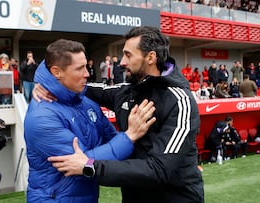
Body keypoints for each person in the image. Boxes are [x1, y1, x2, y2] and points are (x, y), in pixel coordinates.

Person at [42, 26, 203, 202]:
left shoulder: (180, 101)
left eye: (128, 55)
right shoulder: (126, 91)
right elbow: (79, 85)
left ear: (150, 57)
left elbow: (159, 169)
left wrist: (90, 166)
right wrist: (46, 82)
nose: (122, 62)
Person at [24, 39, 156, 203]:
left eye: (86, 66)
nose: (87, 73)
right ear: (57, 72)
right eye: (80, 68)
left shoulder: (85, 101)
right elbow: (81, 164)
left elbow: (109, 139)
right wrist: (129, 136)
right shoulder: (41, 117)